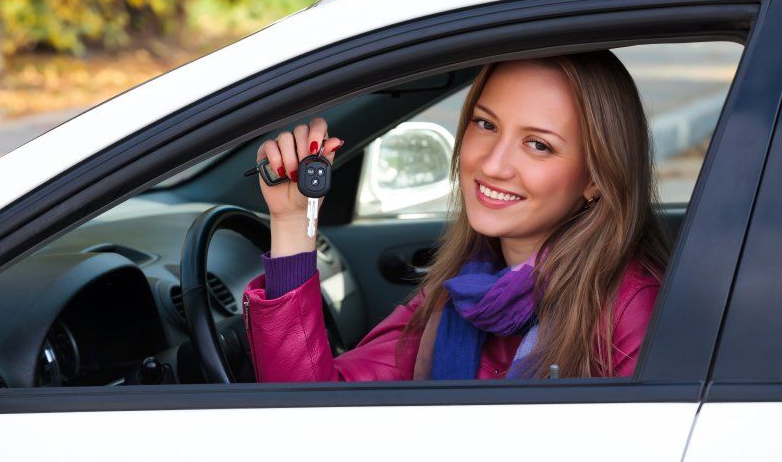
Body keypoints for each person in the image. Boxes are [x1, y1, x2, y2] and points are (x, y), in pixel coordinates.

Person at [242, 50, 671, 382]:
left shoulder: (629, 309)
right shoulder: (462, 289)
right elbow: (308, 414)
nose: (493, 165)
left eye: (538, 145)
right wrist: (292, 221)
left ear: (595, 178)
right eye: (486, 125)